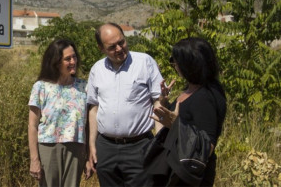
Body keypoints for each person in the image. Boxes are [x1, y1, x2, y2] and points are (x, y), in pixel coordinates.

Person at [86, 22, 164, 187]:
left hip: (139, 147)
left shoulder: (145, 62)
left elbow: (157, 103)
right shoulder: (97, 69)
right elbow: (93, 108)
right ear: (101, 48)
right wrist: (92, 145)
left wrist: (159, 143)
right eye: (112, 47)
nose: (119, 49)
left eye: (121, 42)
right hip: (106, 148)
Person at [151, 37, 227, 186]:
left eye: (176, 61)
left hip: (189, 177)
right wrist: (164, 101)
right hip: (175, 169)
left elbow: (208, 147)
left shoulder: (205, 97)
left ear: (189, 65)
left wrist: (175, 125)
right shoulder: (191, 88)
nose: (174, 65)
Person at [28, 39, 88, 187]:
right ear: (56, 62)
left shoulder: (84, 87)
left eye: (74, 57)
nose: (73, 61)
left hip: (76, 147)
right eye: (68, 59)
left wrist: (89, 155)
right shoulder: (41, 87)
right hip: (48, 147)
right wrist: (34, 159)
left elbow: (89, 124)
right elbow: (32, 125)